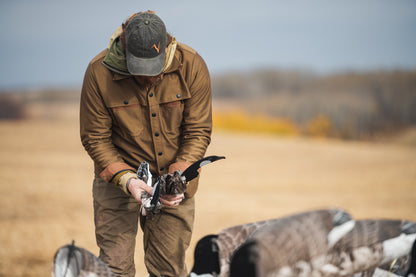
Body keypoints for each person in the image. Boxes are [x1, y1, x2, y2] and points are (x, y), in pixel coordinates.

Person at [80, 11, 212, 277]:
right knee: (114, 268)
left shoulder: (192, 65)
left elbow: (198, 131)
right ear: (125, 53)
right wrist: (127, 180)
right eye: (139, 69)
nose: (147, 77)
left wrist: (176, 179)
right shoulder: (98, 72)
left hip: (174, 185)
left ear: (166, 50)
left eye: (153, 68)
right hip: (118, 183)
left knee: (169, 270)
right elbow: (95, 138)